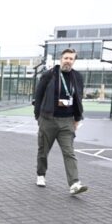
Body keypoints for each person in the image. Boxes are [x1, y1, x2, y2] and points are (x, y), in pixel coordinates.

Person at [34, 48, 88, 195]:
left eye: (71, 59)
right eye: (66, 58)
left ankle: (74, 183)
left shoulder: (77, 77)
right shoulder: (49, 75)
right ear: (61, 59)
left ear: (74, 61)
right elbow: (38, 97)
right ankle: (41, 174)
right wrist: (38, 117)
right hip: (48, 120)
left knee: (69, 153)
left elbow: (78, 99)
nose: (68, 61)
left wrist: (77, 118)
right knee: (43, 151)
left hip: (67, 122)